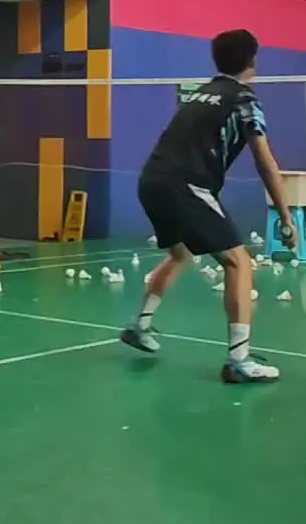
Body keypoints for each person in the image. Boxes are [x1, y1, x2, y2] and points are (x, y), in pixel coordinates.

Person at [121, 29, 296, 385]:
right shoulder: (244, 99)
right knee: (238, 262)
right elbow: (265, 162)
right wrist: (285, 215)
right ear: (253, 60)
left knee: (180, 252)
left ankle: (140, 325)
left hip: (151, 180)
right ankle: (239, 360)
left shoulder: (200, 93)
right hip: (186, 185)